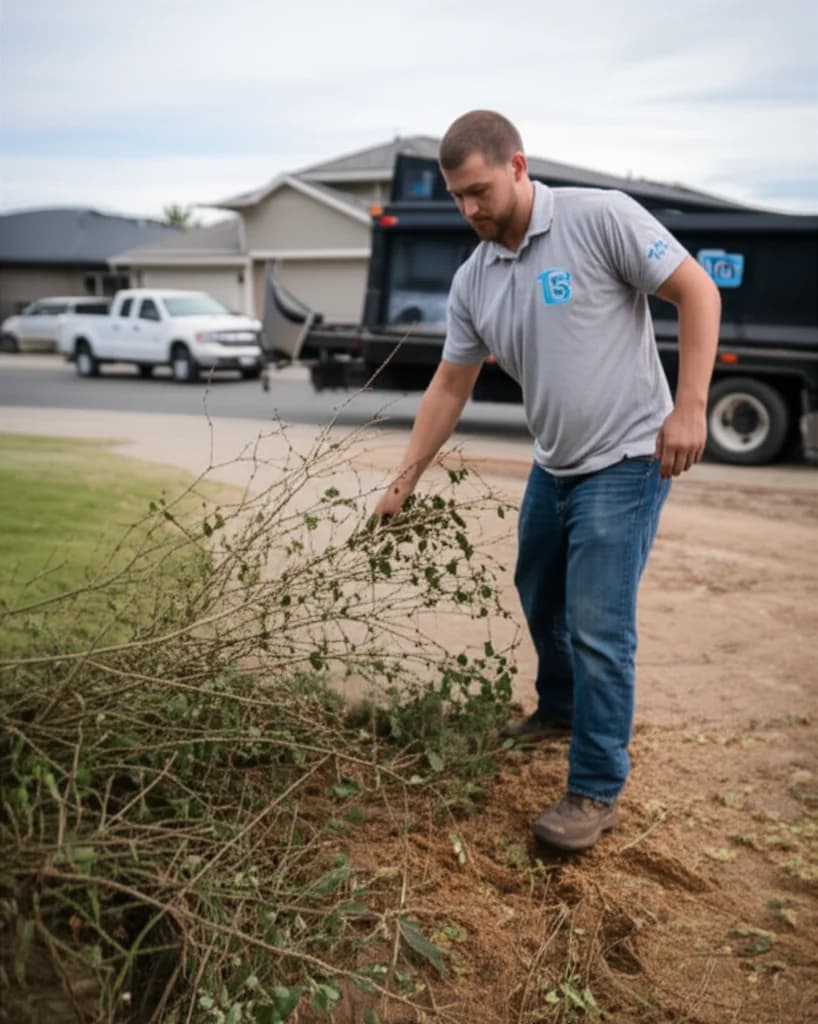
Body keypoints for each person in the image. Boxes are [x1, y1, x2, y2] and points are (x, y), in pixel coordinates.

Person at [374, 110, 721, 853]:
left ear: (519, 167)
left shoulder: (599, 219)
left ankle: (595, 787)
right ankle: (560, 708)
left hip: (629, 457)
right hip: (555, 463)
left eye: (480, 190)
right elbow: (448, 385)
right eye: (458, 198)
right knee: (538, 591)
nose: (470, 210)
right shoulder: (475, 279)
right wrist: (403, 480)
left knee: (600, 628)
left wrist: (691, 406)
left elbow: (698, 292)